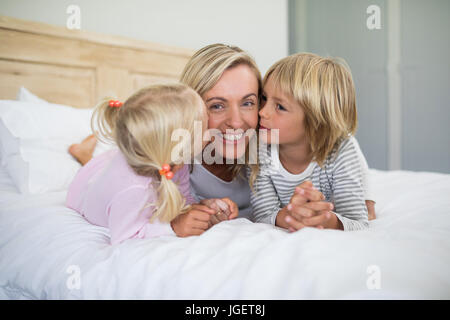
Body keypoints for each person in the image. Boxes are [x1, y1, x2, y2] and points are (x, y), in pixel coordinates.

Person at [68, 44, 375, 227]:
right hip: (108, 170)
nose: (236, 122)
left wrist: (365, 198)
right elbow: (119, 204)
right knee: (109, 160)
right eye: (217, 105)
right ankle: (86, 153)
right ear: (192, 108)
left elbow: (339, 142)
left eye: (249, 102)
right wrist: (174, 221)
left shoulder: (269, 143)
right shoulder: (174, 156)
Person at [66, 83, 238, 245]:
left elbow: (182, 200)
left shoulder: (177, 161)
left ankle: (85, 152)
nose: (213, 131)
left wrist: (203, 208)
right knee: (106, 180)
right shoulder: (132, 190)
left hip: (112, 166)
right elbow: (126, 237)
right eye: (205, 127)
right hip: (85, 188)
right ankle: (84, 155)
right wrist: (173, 228)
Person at [250, 53, 371, 231]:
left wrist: (327, 221)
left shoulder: (341, 150)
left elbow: (358, 222)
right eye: (264, 99)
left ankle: (369, 198)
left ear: (316, 122)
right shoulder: (259, 148)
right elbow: (263, 214)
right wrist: (289, 215)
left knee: (367, 203)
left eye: (280, 107)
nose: (262, 112)